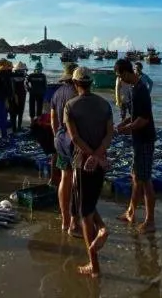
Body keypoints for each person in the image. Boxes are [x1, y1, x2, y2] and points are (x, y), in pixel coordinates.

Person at [63, 67, 113, 278]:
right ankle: (101, 228)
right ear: (91, 83)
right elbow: (110, 133)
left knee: (84, 213)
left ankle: (94, 263)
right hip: (100, 162)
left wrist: (90, 155)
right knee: (89, 202)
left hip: (82, 162)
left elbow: (74, 138)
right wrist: (99, 155)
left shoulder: (70, 106)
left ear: (75, 84)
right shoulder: (104, 104)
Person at [113, 59, 157, 233]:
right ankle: (131, 212)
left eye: (119, 76)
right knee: (135, 175)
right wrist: (122, 124)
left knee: (145, 180)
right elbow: (134, 116)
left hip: (145, 139)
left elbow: (143, 120)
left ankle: (150, 221)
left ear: (125, 73)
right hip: (138, 139)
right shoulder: (133, 89)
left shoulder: (141, 90)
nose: (120, 80)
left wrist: (126, 130)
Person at [50, 62, 79, 234]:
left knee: (64, 177)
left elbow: (53, 119)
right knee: (76, 180)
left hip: (60, 139)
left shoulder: (57, 93)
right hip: (74, 141)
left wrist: (57, 135)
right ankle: (74, 221)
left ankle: (65, 220)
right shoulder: (76, 94)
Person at [10, 62, 28, 132]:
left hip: (16, 97)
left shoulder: (13, 76)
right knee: (19, 114)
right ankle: (18, 127)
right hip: (20, 97)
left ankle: (15, 129)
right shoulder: (22, 76)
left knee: (14, 114)